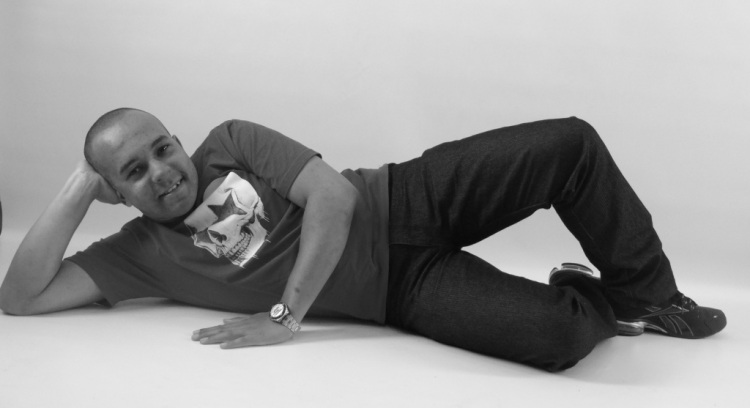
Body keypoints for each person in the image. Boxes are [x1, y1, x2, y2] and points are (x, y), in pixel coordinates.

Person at [0, 108, 726, 372]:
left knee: (569, 143)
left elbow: (334, 197)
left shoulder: (231, 141)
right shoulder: (136, 255)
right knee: (557, 339)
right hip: (401, 293)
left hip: (408, 195)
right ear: (114, 192)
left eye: (162, 148)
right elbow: (21, 298)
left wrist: (285, 316)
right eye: (132, 171)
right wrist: (79, 182)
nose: (162, 172)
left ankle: (649, 295)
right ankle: (588, 294)